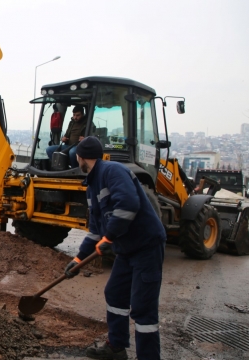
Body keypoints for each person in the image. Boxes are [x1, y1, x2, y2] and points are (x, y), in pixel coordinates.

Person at [64, 136, 166, 360]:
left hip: (146, 246)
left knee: (142, 306)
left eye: (77, 157)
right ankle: (116, 348)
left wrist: (109, 237)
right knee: (115, 294)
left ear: (81, 157)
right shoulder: (91, 184)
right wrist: (79, 260)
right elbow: (95, 230)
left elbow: (129, 204)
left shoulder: (112, 171)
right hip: (126, 250)